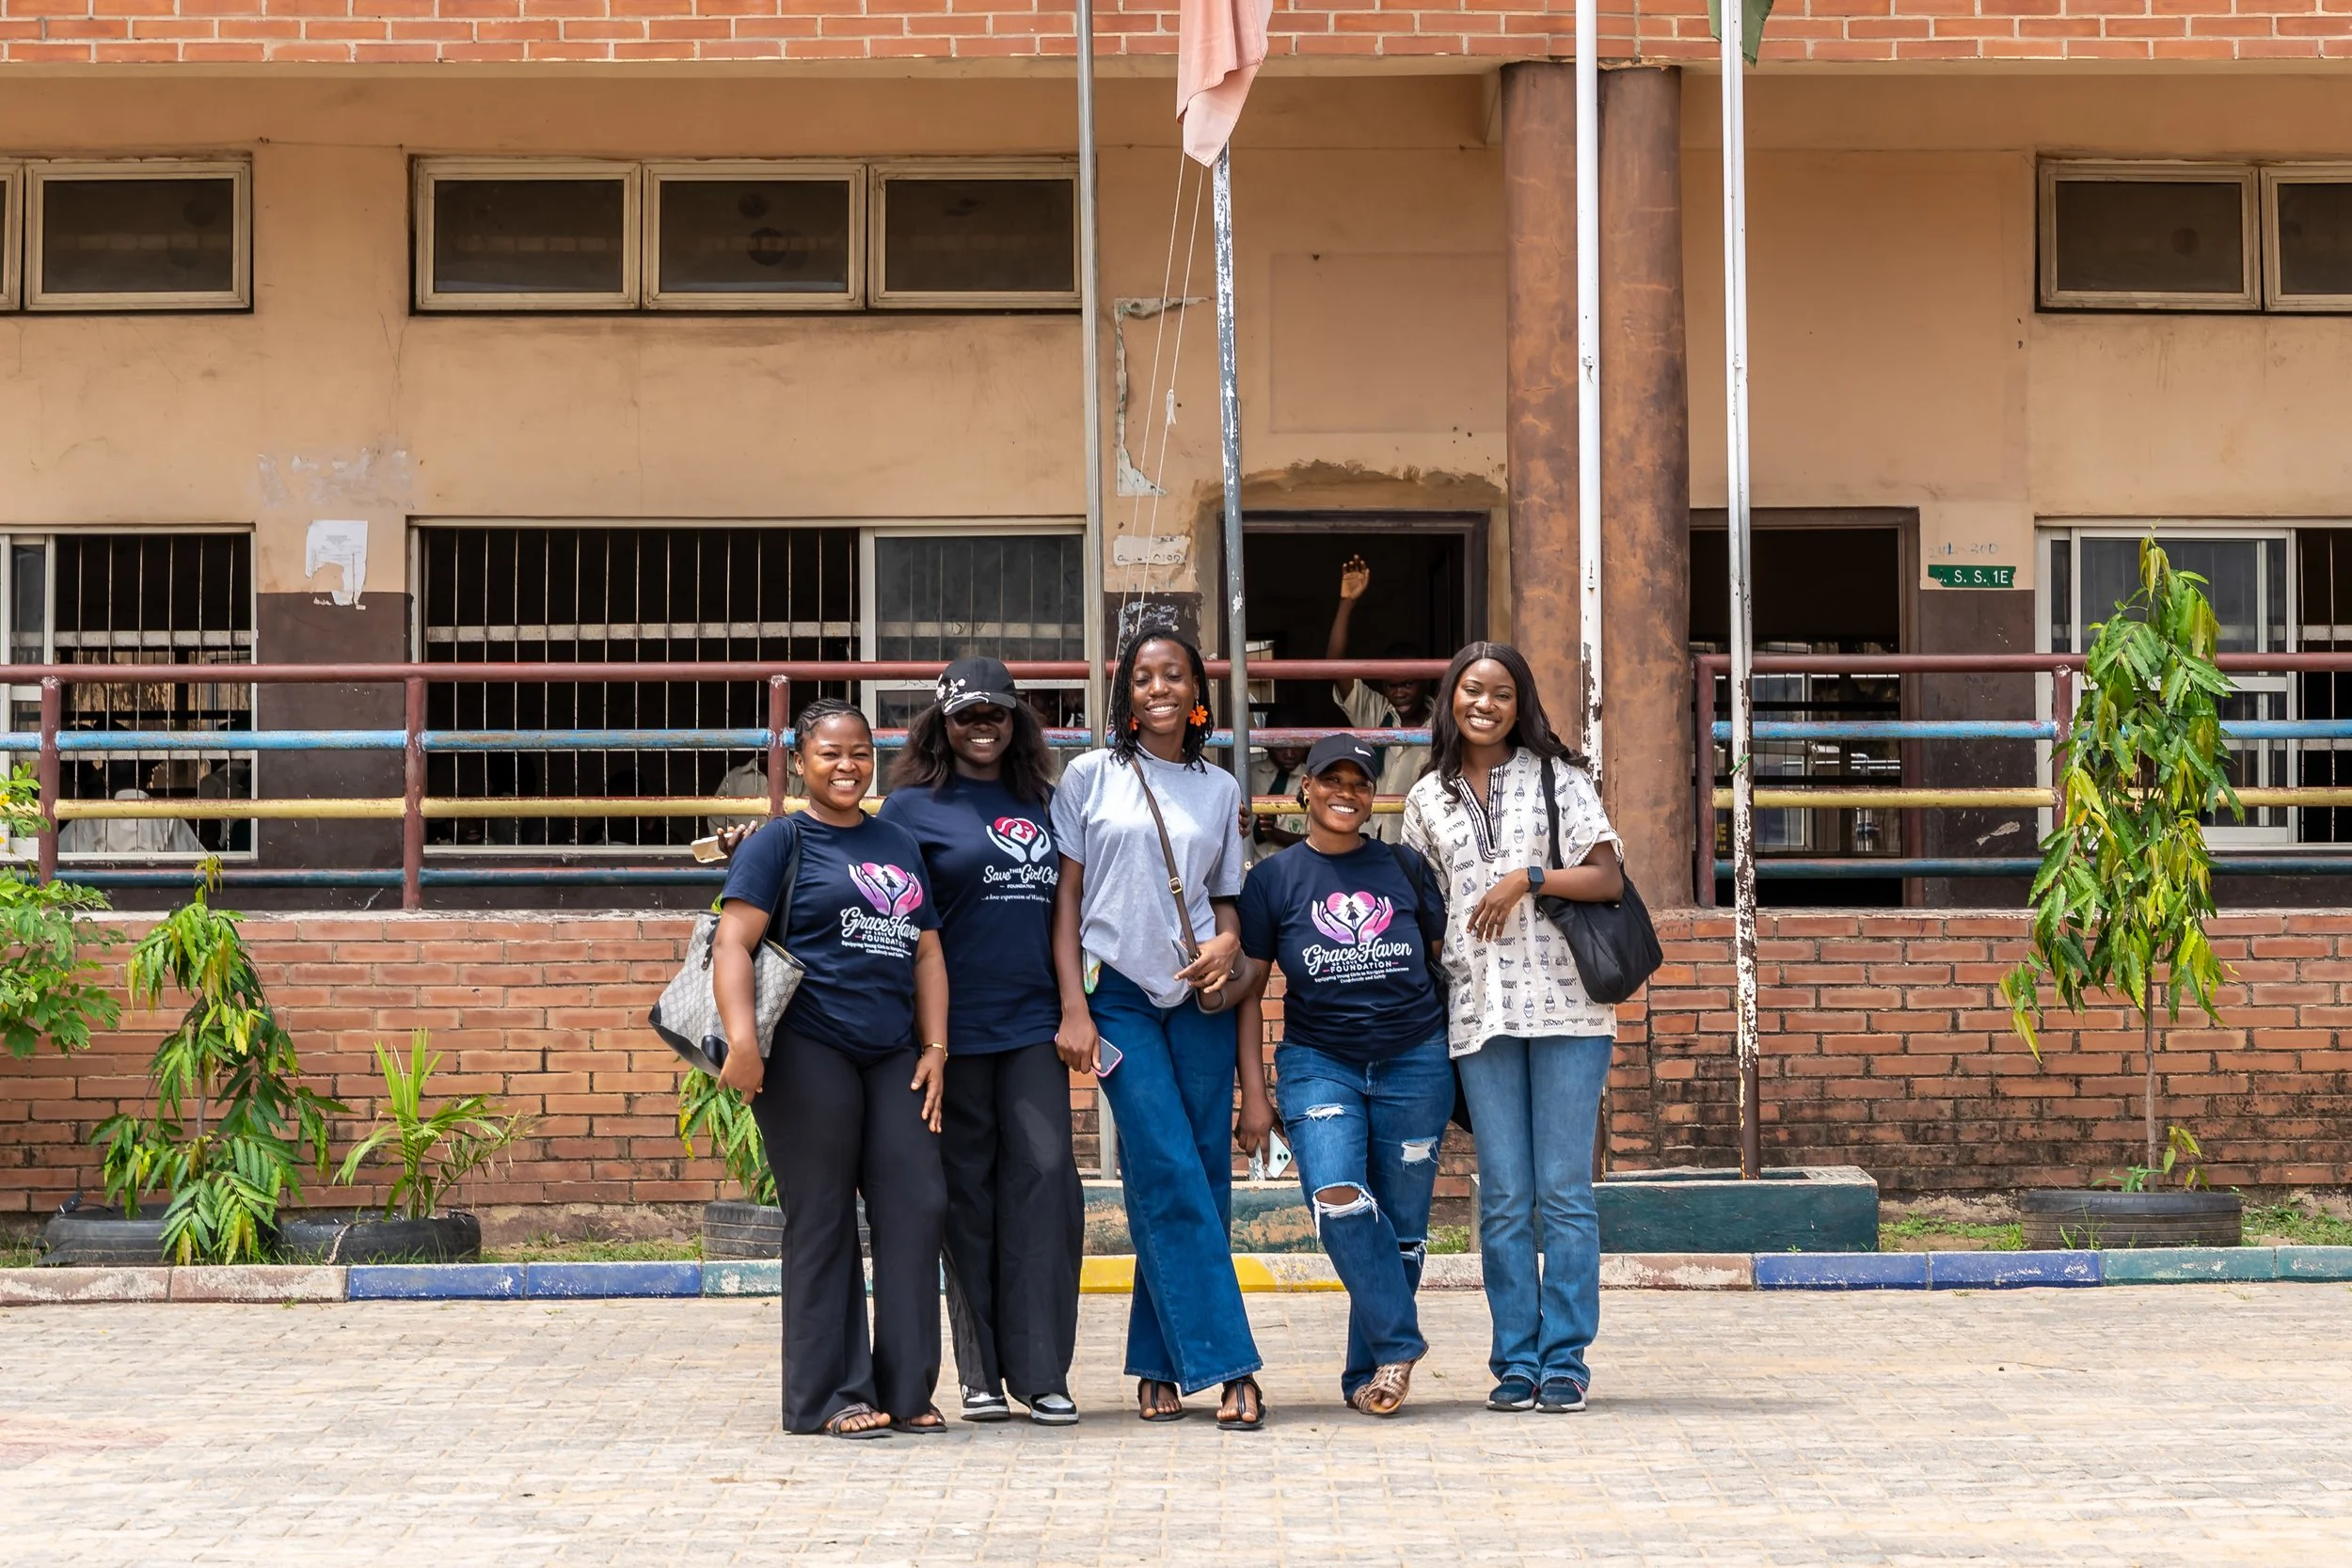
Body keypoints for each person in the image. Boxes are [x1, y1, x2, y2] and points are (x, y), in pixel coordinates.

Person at [711, 698, 951, 1440]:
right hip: (807, 1048)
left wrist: (935, 1047)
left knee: (917, 1204)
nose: (847, 766)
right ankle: (829, 1394)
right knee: (823, 1219)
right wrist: (743, 1043)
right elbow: (731, 943)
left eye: (859, 752)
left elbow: (927, 950)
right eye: (830, 753)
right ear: (801, 758)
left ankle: (906, 1386)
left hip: (890, 1053)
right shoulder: (780, 841)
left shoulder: (897, 841)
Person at [1049, 631, 1270, 1431]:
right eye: (1141, 678)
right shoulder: (1088, 777)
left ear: (1196, 687)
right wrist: (1073, 1005)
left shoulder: (1219, 788)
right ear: (1125, 695)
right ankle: (1232, 1363)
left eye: (1172, 674)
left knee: (1198, 1174)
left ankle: (1154, 1360)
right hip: (1118, 1001)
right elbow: (1066, 902)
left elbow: (1228, 899)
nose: (1157, 687)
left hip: (1201, 999)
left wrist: (1227, 942)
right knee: (1167, 1164)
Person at [1400, 641, 1624, 1418]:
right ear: (1450, 700)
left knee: (1563, 1191)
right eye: (1470, 690)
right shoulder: (1424, 797)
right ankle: (1515, 1359)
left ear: (1519, 701)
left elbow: (1608, 877)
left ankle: (1565, 1358)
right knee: (1502, 1195)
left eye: (1499, 692)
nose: (1484, 704)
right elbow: (1423, 906)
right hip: (1478, 1011)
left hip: (1569, 1007)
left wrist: (1526, 876)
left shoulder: (1562, 780)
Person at [877, 657, 1083, 1428]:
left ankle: (1042, 1370)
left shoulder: (1047, 800)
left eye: (997, 713)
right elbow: (875, 896)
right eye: (967, 715)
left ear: (1017, 720)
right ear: (942, 723)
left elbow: (1075, 902)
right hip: (949, 1036)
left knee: (1047, 1182)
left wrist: (1074, 1007)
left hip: (1033, 1024)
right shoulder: (907, 808)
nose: (983, 726)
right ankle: (981, 1374)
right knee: (967, 1196)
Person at [1233, 735, 1451, 1418]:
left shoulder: (1405, 868)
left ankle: (1375, 1370)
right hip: (1319, 1061)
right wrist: (1255, 1096)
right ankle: (1401, 1338)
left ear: (1373, 793)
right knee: (1337, 1197)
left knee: (1406, 1228)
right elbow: (1250, 990)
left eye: (1360, 782)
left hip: (1415, 1059)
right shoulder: (1274, 880)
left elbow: (1445, 966)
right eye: (1332, 779)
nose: (1346, 793)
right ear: (1305, 789)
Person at [1325, 556, 1434, 843]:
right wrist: (1347, 603)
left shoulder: (1444, 721)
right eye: (1391, 685)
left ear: (1426, 681)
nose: (1399, 692)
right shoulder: (1375, 711)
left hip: (1421, 840)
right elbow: (1334, 665)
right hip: (1370, 835)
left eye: (1408, 684)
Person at [1244, 739, 1310, 864]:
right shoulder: (1246, 775)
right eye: (1281, 747)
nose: (1289, 754)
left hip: (1296, 867)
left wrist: (1276, 835)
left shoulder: (1315, 779)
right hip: (1249, 866)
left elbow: (1321, 841)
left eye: (1296, 747)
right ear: (1267, 744)